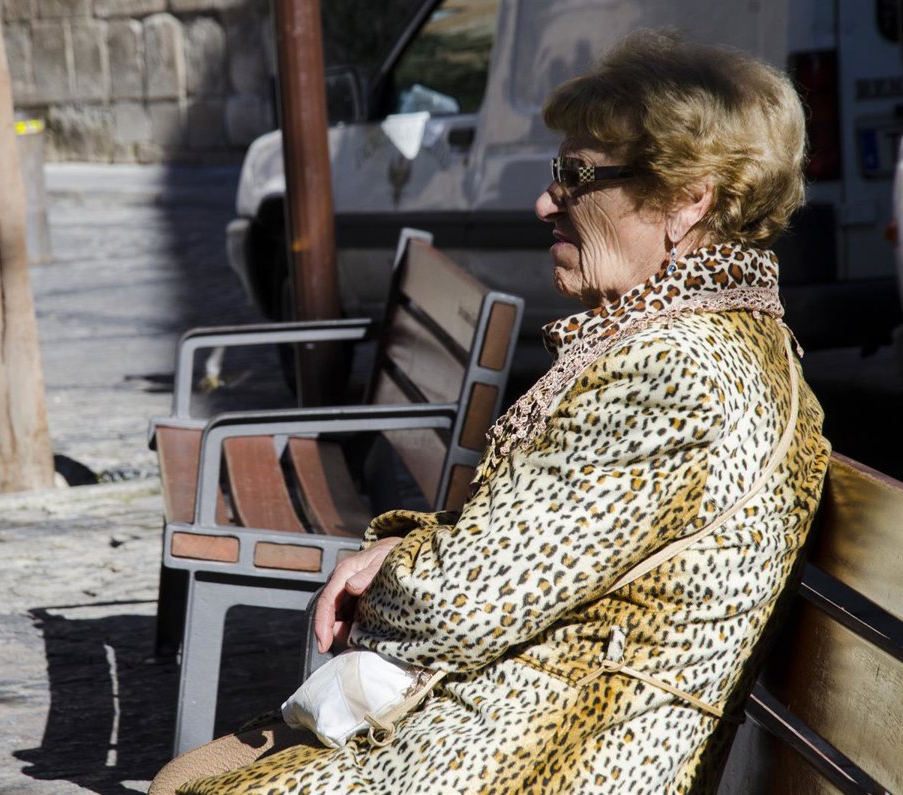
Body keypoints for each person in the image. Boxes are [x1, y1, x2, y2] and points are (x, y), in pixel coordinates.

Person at [152, 29, 831, 794]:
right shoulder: (732, 340)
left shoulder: (674, 371)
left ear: (687, 200)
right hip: (529, 731)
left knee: (187, 785)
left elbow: (457, 604)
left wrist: (391, 571)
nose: (545, 202)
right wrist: (411, 548)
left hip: (539, 760)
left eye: (576, 176)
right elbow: (526, 557)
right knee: (190, 775)